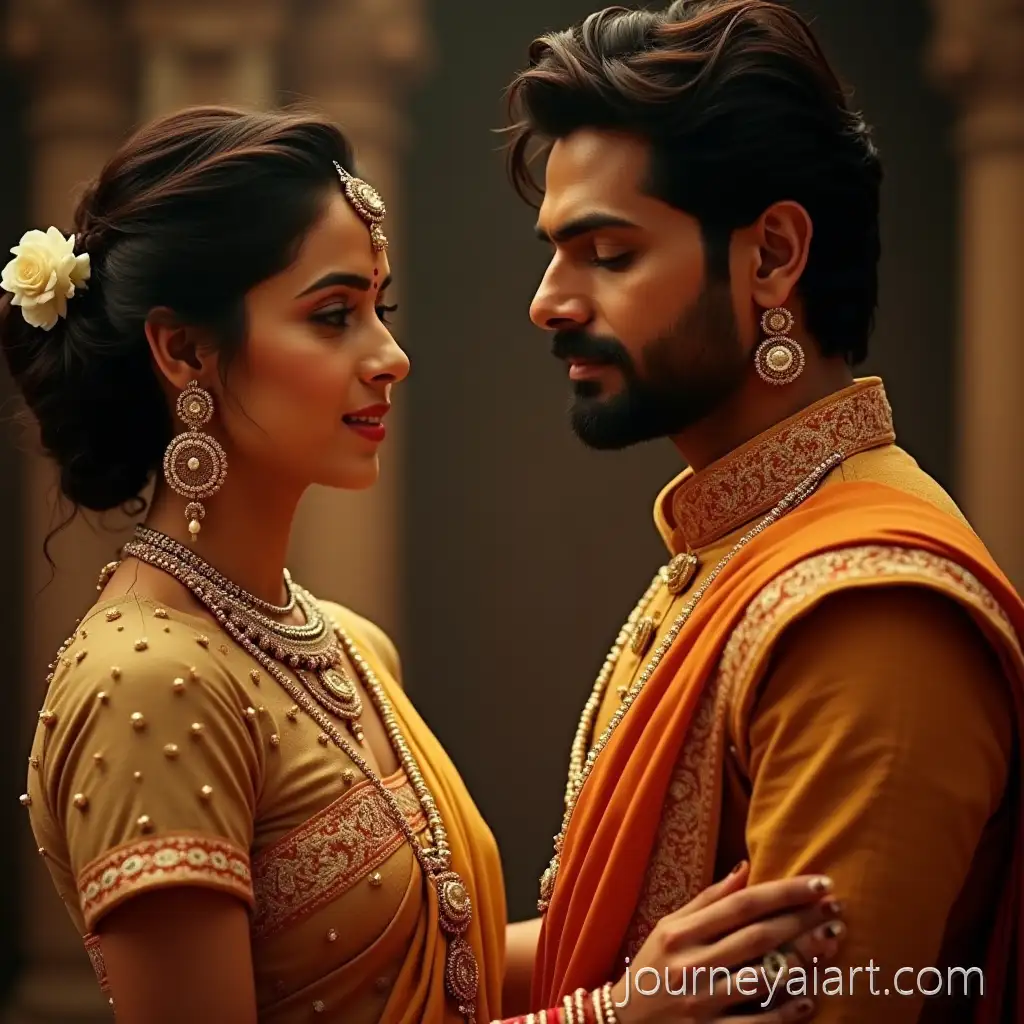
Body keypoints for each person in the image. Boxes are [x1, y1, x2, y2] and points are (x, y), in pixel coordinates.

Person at [5, 107, 845, 1024]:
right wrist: (611, 1017)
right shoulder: (144, 683)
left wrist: (677, 944)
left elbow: (449, 974)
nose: (391, 357)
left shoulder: (346, 645)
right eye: (334, 316)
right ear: (185, 350)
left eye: (382, 309)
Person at [503, 2, 1024, 1023]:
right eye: (557, 252)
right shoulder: (744, 538)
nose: (549, 301)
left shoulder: (869, 612)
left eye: (607, 253)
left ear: (773, 257)